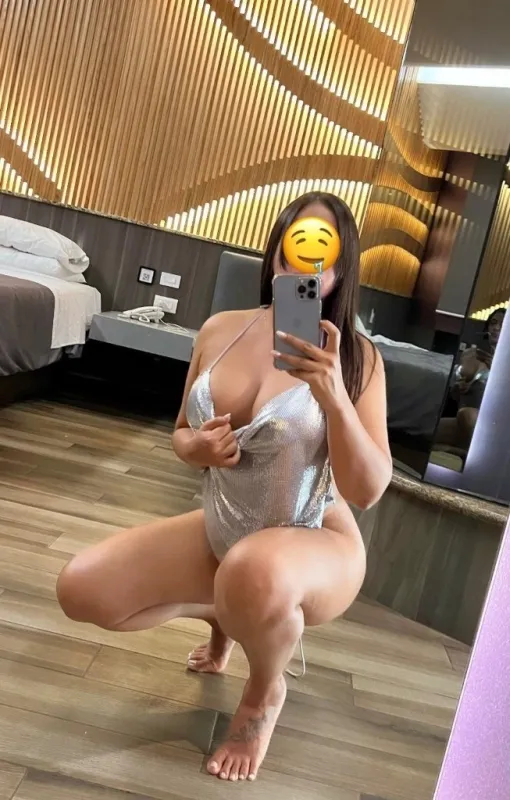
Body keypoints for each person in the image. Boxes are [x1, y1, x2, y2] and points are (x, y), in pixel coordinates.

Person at [56, 192, 392, 783]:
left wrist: (335, 396)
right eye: (296, 246)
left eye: (324, 252)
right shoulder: (221, 330)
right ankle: (229, 614)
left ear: (341, 270)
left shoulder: (358, 358)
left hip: (315, 536)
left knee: (252, 572)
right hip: (225, 524)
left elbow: (366, 491)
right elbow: (180, 435)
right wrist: (199, 449)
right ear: (275, 253)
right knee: (81, 590)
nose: (306, 263)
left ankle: (263, 693)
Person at [435, 307, 505, 452]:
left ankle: (469, 452)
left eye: (502, 324)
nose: (496, 328)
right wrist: (458, 388)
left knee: (466, 414)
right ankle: (462, 451)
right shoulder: (469, 355)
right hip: (464, 419)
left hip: (494, 423)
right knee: (431, 430)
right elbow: (455, 397)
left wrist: (496, 371)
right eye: (493, 323)